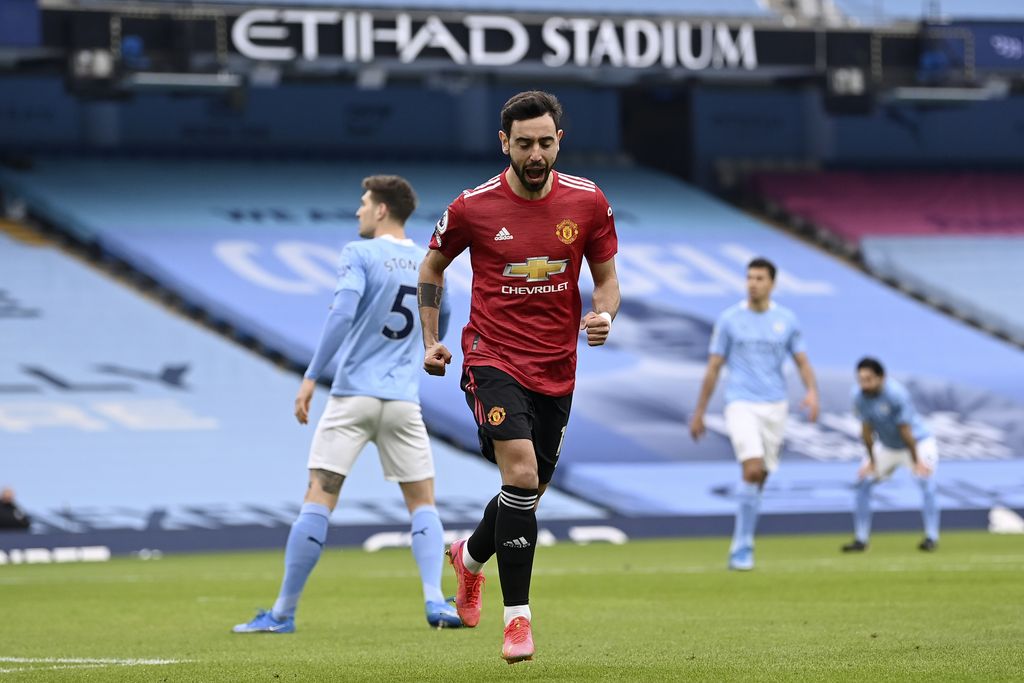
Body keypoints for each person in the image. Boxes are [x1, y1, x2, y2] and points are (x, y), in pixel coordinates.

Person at [417, 90, 620, 663]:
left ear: (560, 141)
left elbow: (606, 280)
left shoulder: (588, 202)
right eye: (524, 143)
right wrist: (431, 340)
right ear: (504, 142)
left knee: (526, 491)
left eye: (546, 142)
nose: (536, 153)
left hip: (557, 366)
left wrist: (604, 313)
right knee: (523, 471)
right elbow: (432, 265)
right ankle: (518, 622)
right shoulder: (471, 207)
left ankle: (469, 557)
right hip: (492, 355)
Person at [233, 175, 459, 634]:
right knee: (422, 502)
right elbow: (447, 314)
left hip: (352, 396)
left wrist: (311, 376)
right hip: (401, 401)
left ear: (380, 210)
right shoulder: (426, 260)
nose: (358, 211)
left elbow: (341, 313)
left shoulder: (359, 254)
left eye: (363, 203)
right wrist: (428, 346)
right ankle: (435, 600)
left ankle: (282, 613)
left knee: (319, 497)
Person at [689, 258, 819, 571]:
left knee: (761, 476)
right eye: (749, 277)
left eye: (760, 278)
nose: (753, 283)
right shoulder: (730, 319)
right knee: (752, 468)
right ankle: (742, 548)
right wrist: (701, 410)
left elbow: (801, 360)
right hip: (741, 403)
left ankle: (745, 536)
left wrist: (812, 391)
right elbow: (714, 367)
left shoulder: (786, 320)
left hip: (776, 405)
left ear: (772, 284)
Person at [842, 357, 940, 553]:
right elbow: (866, 431)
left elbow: (906, 431)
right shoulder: (859, 396)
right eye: (861, 379)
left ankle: (931, 537)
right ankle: (861, 539)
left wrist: (917, 462)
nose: (864, 384)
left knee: (925, 480)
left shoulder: (896, 394)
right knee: (863, 482)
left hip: (917, 443)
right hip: (887, 446)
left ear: (881, 378)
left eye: (869, 379)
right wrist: (871, 461)